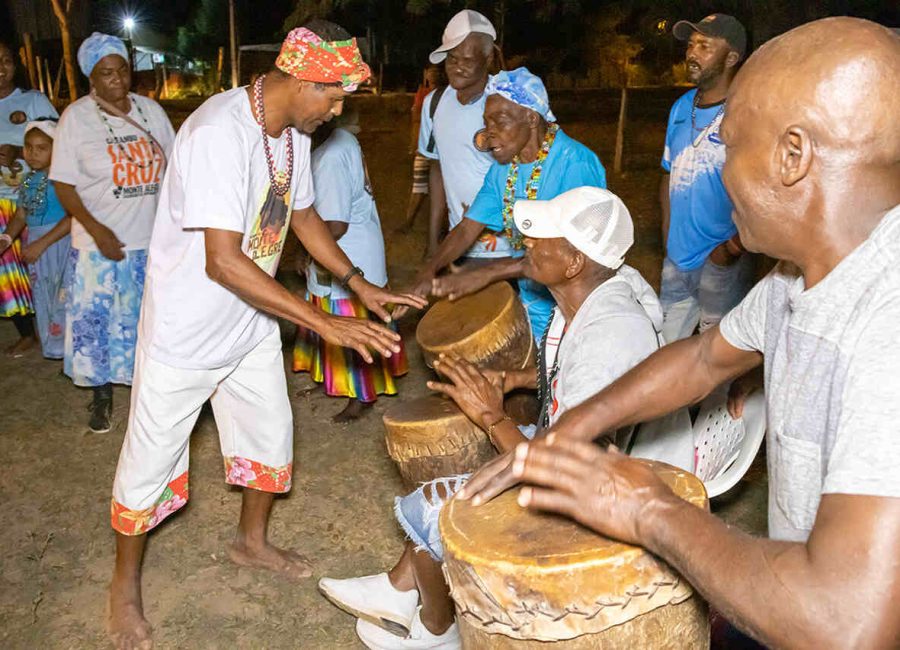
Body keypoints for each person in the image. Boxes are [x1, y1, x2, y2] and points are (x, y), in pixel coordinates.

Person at [461, 18, 900, 650]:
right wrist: (568, 432)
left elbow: (845, 623)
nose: (718, 176)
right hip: (784, 598)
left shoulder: (886, 323)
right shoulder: (794, 279)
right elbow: (699, 360)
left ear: (793, 155)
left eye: (730, 147)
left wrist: (648, 510)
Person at [106, 21, 426, 650]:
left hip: (248, 322)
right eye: (332, 97)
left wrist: (355, 282)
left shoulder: (291, 132)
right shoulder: (216, 133)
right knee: (151, 458)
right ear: (301, 78)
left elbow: (300, 213)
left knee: (269, 433)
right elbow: (222, 261)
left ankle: (251, 542)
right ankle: (123, 587)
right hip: (187, 330)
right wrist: (322, 321)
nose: (337, 111)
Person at [321, 187, 672, 650]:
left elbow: (571, 468)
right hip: (584, 456)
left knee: (442, 504)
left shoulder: (612, 333)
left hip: (606, 491)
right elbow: (579, 380)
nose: (528, 245)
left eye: (542, 238)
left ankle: (440, 628)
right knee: (458, 476)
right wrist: (515, 378)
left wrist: (491, 416)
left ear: (573, 264)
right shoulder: (594, 295)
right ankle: (400, 586)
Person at [401, 67, 606, 342]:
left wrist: (489, 273)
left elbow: (570, 252)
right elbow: (467, 228)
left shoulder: (574, 164)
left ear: (531, 118)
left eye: (501, 121)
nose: (489, 133)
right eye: (487, 122)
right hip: (535, 302)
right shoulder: (505, 170)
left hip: (578, 306)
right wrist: (429, 268)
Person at [50, 33, 176, 433]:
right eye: (106, 73)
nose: (117, 78)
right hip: (98, 246)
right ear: (92, 76)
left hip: (149, 242)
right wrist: (96, 228)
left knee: (147, 323)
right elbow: (64, 184)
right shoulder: (76, 118)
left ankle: (149, 395)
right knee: (96, 325)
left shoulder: (151, 111)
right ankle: (100, 396)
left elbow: (175, 171)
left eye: (122, 68)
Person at [294, 108, 408, 422]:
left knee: (351, 326)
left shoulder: (331, 156)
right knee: (330, 319)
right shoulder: (341, 139)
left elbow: (335, 225)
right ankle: (335, 381)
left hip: (347, 253)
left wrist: (306, 253)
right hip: (355, 251)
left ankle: (362, 393)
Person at [659, 14, 754, 343]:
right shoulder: (681, 107)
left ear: (731, 58)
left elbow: (764, 193)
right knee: (665, 353)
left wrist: (730, 248)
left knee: (717, 360)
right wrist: (668, 235)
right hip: (676, 261)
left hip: (722, 263)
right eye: (690, 45)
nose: (691, 53)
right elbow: (668, 173)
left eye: (704, 45)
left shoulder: (747, 114)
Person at [417, 9, 500, 261]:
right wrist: (434, 241)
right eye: (452, 59)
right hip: (459, 244)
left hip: (513, 248)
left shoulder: (507, 102)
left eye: (467, 59)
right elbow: (437, 169)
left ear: (487, 58)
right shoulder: (435, 103)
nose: (457, 67)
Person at [0, 40, 58, 356]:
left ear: (16, 63)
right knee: (9, 270)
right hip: (2, 201)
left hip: (40, 199)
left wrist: (19, 155)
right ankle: (26, 329)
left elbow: (58, 140)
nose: (0, 67)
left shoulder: (34, 101)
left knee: (45, 263)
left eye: (6, 59)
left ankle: (54, 324)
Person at [0, 120, 72, 359]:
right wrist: (7, 237)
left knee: (64, 295)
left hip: (59, 245)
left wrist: (41, 244)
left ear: (57, 149)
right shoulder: (29, 180)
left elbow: (73, 217)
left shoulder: (62, 180)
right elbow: (21, 213)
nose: (33, 153)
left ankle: (70, 349)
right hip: (37, 248)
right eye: (29, 147)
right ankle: (53, 346)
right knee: (42, 294)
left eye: (42, 147)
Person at [401, 64, 443, 239]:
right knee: (419, 187)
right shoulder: (423, 94)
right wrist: (414, 144)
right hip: (422, 148)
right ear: (425, 74)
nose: (432, 75)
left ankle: (438, 230)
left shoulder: (444, 95)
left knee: (439, 190)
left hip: (439, 150)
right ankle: (408, 222)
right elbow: (415, 122)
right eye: (429, 71)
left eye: (436, 72)